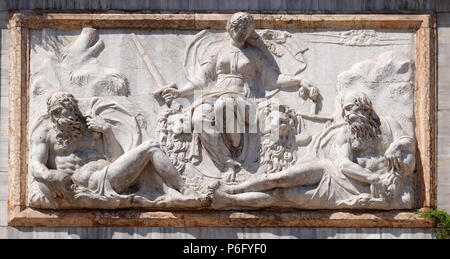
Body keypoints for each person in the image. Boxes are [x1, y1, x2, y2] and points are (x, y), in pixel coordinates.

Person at [158, 12, 318, 181]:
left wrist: (300, 80)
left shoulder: (255, 55)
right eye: (237, 26)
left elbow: (274, 79)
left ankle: (237, 147)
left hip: (245, 99)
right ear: (229, 28)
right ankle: (226, 162)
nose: (240, 30)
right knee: (198, 119)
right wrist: (179, 93)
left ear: (249, 32)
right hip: (214, 95)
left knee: (224, 105)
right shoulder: (218, 51)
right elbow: (202, 79)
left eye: (245, 28)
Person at [213, 91, 415, 208]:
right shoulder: (346, 132)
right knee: (281, 178)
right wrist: (373, 178)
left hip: (349, 191)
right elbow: (344, 163)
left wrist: (397, 145)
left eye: (351, 110)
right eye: (344, 111)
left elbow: (408, 141)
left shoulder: (388, 124)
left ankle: (229, 200)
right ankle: (235, 188)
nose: (347, 116)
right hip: (333, 172)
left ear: (365, 108)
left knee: (281, 196)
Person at [29, 92, 192, 206]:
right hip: (75, 186)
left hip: (106, 177)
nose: (56, 117)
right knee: (152, 147)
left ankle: (186, 191)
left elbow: (115, 159)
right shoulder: (45, 134)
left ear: (70, 107)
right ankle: (185, 191)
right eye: (53, 114)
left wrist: (106, 130)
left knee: (152, 146)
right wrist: (49, 176)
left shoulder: (90, 128)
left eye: (59, 111)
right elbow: (35, 164)